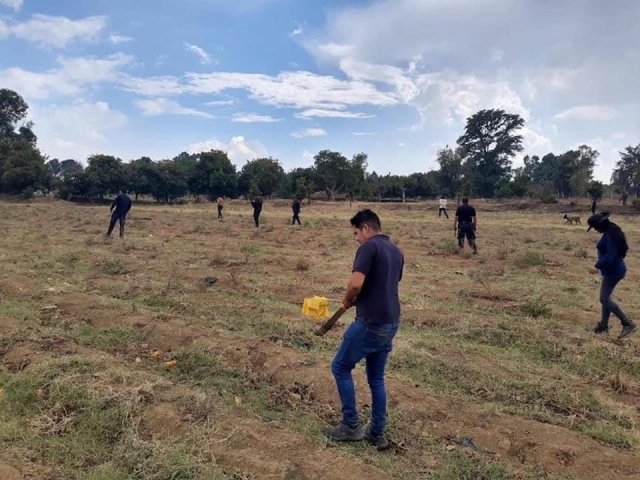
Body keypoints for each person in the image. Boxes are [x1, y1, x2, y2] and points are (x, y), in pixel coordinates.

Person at [323, 209, 404, 451]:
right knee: (376, 379)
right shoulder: (396, 251)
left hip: (371, 323)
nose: (357, 238)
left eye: (357, 232)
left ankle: (351, 426)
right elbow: (385, 284)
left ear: (366, 228)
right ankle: (377, 433)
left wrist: (349, 299)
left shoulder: (369, 247)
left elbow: (357, 283)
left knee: (339, 367)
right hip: (391, 323)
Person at [587, 212, 636, 339]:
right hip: (612, 269)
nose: (596, 230)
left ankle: (627, 323)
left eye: (595, 228)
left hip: (614, 270)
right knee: (606, 298)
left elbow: (610, 257)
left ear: (599, 226)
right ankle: (603, 325)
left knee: (604, 299)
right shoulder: (611, 231)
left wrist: (596, 266)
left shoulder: (610, 234)